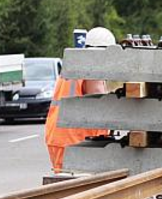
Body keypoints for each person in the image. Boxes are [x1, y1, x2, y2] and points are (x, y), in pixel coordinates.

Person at [44, 26, 113, 172]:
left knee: (65, 183)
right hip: (74, 140)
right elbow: (101, 102)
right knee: (75, 184)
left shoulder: (75, 65)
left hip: (60, 137)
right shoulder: (92, 67)